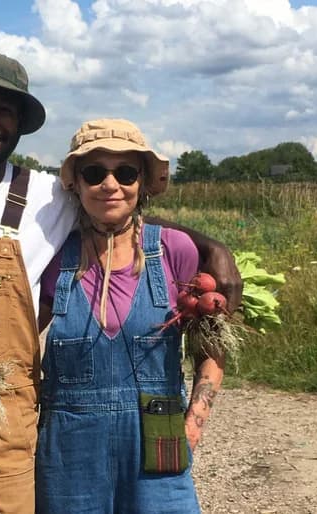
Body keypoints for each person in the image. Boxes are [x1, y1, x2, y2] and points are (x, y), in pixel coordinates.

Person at [0, 51, 237, 514]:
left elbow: (120, 213)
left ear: (20, 122)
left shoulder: (44, 198)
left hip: (7, 437)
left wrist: (211, 248)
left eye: (3, 109)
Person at [35, 118, 224, 514]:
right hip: (70, 453)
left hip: (160, 441)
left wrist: (194, 423)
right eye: (94, 172)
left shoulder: (175, 250)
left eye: (125, 172)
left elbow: (211, 348)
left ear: (141, 182)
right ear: (76, 183)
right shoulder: (53, 259)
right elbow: (17, 343)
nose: (110, 184)